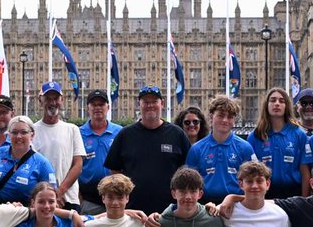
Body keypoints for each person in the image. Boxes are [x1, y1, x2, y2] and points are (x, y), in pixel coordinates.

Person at [104, 86, 191, 215]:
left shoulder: (177, 134)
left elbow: (189, 169)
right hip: (133, 211)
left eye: (154, 101)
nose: (150, 105)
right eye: (146, 102)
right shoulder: (125, 135)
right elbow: (114, 171)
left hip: (170, 212)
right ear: (139, 104)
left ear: (162, 103)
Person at [187, 95, 256, 205]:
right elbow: (189, 184)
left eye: (230, 117)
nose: (225, 120)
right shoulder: (196, 149)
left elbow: (254, 180)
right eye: (221, 115)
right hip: (206, 206)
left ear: (234, 120)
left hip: (237, 206)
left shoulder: (245, 147)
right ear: (211, 116)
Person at [246, 87, 313, 199]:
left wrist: (304, 200)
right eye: (273, 100)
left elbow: (305, 171)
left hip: (293, 195)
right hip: (264, 195)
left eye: (281, 101)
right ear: (266, 105)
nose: (277, 104)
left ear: (286, 106)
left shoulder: (299, 134)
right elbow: (249, 172)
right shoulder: (255, 135)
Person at [31, 82, 86, 210]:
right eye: (48, 99)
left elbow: (78, 165)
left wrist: (60, 191)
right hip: (41, 201)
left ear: (61, 100)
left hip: (68, 198)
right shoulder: (32, 131)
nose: (52, 102)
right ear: (40, 100)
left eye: (56, 98)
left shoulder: (72, 129)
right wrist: (49, 194)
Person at [0, 116, 57, 205]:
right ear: (9, 135)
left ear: (32, 135)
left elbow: (51, 197)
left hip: (25, 211)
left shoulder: (42, 163)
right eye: (14, 132)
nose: (19, 136)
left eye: (24, 132)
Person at [79, 89, 122, 216]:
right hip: (88, 200)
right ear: (88, 108)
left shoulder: (120, 132)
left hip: (115, 198)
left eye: (101, 104)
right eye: (94, 104)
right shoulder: (78, 133)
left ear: (108, 107)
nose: (98, 108)